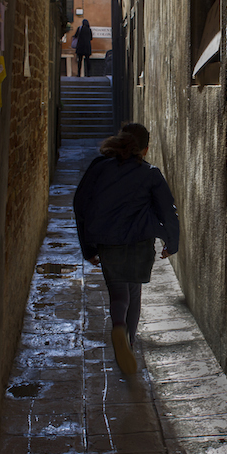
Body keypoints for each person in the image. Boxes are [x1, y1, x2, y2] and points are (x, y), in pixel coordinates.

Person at [73, 123, 180, 374]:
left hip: (108, 243)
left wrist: (87, 247)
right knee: (134, 292)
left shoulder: (98, 168)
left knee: (118, 294)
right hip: (140, 243)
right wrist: (171, 242)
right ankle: (129, 343)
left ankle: (118, 327)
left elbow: (81, 205)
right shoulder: (150, 173)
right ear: (145, 149)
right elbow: (167, 210)